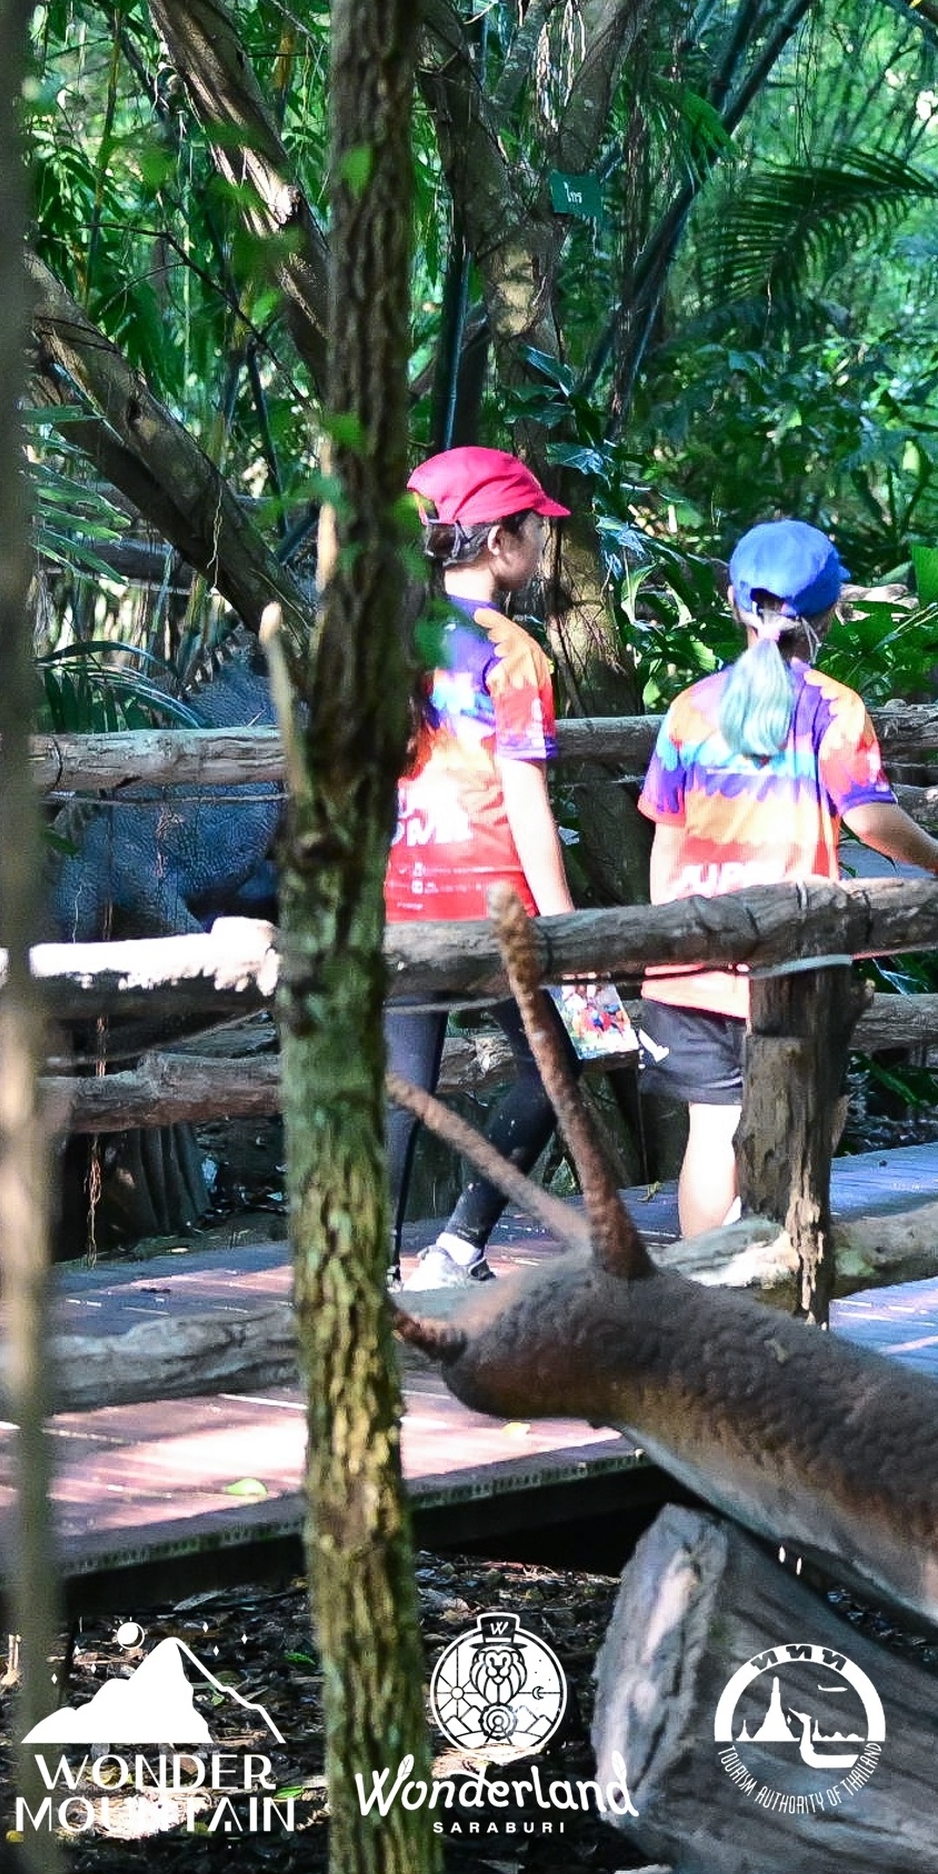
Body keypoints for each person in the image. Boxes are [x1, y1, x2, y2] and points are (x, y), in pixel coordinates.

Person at [637, 520, 938, 1236]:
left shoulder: (691, 709)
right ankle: (777, 1272)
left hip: (694, 958)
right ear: (831, 611)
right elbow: (871, 819)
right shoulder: (833, 707)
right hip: (795, 958)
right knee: (807, 1117)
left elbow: (667, 838)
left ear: (734, 602)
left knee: (711, 1132)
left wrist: (669, 942)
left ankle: (707, 1289)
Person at [386, 445, 578, 1283]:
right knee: (555, 1066)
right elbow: (526, 801)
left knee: (403, 1085)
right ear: (502, 541)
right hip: (496, 899)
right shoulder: (512, 651)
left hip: (404, 891)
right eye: (535, 528)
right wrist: (570, 930)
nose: (541, 541)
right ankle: (459, 1246)